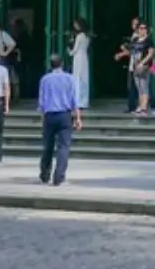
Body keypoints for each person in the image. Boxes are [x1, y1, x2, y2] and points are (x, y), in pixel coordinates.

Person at [37, 53, 83, 186]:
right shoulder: (69, 79)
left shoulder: (45, 79)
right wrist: (78, 118)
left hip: (49, 115)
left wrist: (42, 119)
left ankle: (45, 175)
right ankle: (59, 177)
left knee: (48, 147)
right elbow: (75, 101)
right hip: (64, 115)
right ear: (62, 64)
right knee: (63, 147)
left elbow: (42, 102)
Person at [114, 17, 143, 114]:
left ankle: (135, 106)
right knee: (135, 86)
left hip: (137, 64)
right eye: (133, 23)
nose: (133, 25)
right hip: (135, 64)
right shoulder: (136, 36)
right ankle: (135, 106)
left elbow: (132, 50)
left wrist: (121, 54)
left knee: (134, 87)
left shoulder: (137, 36)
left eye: (135, 23)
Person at [128, 22, 155, 117]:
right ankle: (140, 106)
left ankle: (144, 108)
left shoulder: (148, 40)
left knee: (144, 86)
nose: (142, 30)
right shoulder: (135, 40)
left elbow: (151, 53)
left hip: (145, 66)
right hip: (136, 65)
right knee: (139, 87)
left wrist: (143, 62)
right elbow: (131, 51)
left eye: (144, 28)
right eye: (140, 28)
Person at [70, 17, 92, 109]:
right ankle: (84, 100)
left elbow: (75, 50)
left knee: (77, 78)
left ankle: (78, 101)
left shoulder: (79, 36)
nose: (75, 26)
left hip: (78, 57)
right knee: (84, 79)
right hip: (84, 57)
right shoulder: (87, 36)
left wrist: (69, 52)